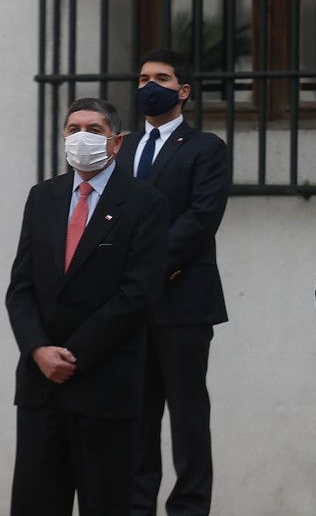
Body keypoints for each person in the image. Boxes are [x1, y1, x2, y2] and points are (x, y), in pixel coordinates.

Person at [6, 98, 168, 516]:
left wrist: (75, 354)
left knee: (106, 504)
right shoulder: (43, 197)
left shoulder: (144, 202)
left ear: (116, 142)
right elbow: (20, 289)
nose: (82, 137)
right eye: (73, 128)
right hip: (42, 387)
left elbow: (139, 294)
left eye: (93, 129)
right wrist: (39, 349)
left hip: (105, 385)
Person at [118, 49, 230, 516]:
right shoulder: (119, 148)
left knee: (187, 417)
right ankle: (137, 505)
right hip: (129, 309)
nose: (150, 85)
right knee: (136, 418)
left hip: (182, 303)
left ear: (183, 90)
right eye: (143, 77)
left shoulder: (206, 148)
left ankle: (189, 507)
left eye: (161, 78)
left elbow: (201, 219)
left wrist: (144, 266)